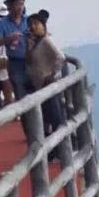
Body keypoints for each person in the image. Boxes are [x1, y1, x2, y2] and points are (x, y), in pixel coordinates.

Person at [26, 13, 66, 141]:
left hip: (47, 84)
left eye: (36, 24)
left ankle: (60, 145)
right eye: (30, 24)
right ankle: (53, 147)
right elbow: (29, 60)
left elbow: (60, 57)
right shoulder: (35, 42)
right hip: (39, 85)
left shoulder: (46, 41)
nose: (33, 27)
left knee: (54, 115)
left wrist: (53, 74)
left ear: (43, 26)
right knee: (46, 116)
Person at [0, 0, 29, 99]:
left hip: (31, 60)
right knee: (19, 90)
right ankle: (24, 115)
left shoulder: (28, 20)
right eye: (17, 4)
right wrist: (8, 38)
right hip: (14, 61)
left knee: (33, 90)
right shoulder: (2, 23)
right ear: (9, 6)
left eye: (22, 4)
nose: (20, 7)